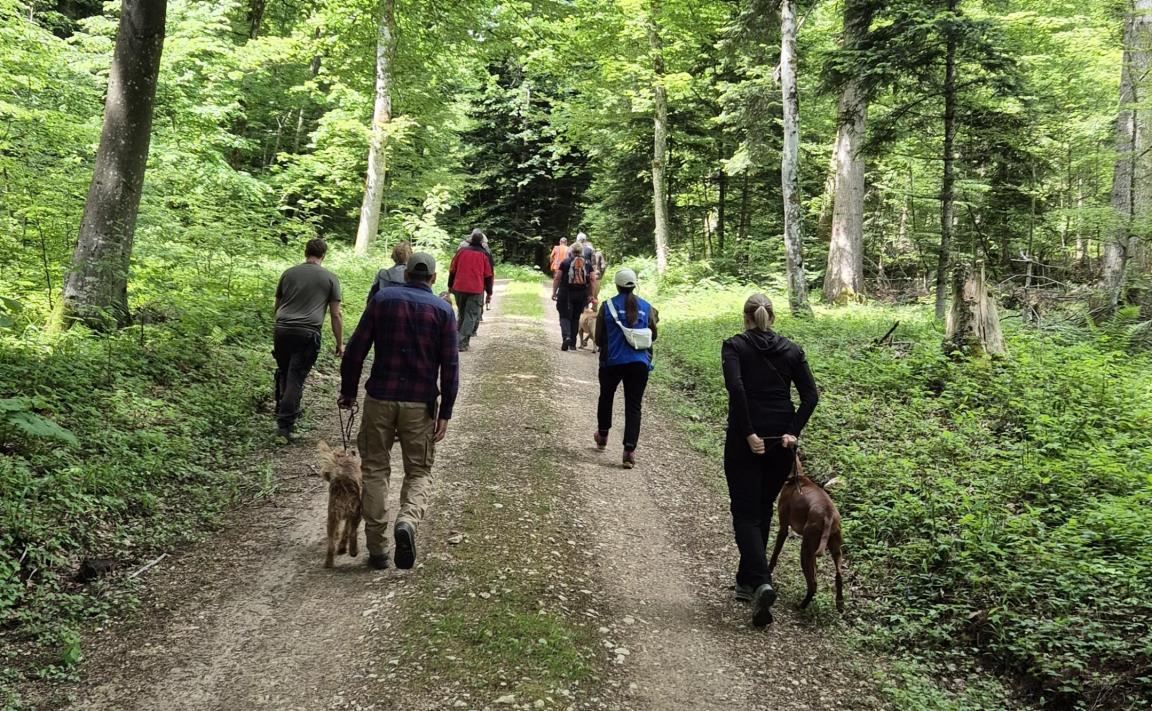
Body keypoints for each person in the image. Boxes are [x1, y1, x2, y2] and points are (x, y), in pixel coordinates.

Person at [338, 252, 459, 571]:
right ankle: (406, 521)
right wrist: (445, 410)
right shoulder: (444, 310)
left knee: (375, 469)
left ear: (406, 274)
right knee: (418, 471)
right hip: (419, 404)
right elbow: (450, 366)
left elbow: (355, 350)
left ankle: (377, 549)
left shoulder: (382, 300)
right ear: (433, 279)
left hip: (379, 398)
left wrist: (348, 392)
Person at [721, 294, 819, 628]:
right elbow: (811, 395)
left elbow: (737, 389)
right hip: (781, 442)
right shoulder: (792, 349)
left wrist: (748, 433)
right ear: (771, 318)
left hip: (746, 441)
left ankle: (761, 581)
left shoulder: (734, 347)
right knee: (761, 509)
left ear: (745, 317)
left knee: (744, 512)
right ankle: (748, 580)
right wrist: (792, 432)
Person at [273, 238, 343, 442]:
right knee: (296, 377)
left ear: (305, 252)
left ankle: (284, 407)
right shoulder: (330, 278)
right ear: (324, 255)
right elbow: (336, 314)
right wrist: (340, 343)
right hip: (307, 332)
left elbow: (277, 305)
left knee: (285, 372)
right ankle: (284, 427)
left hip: (283, 329)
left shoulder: (288, 273)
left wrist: (279, 327)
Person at [593, 268, 658, 469]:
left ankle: (603, 435)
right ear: (634, 284)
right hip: (639, 363)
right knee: (634, 405)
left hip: (612, 362)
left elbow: (599, 338)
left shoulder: (607, 306)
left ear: (617, 285)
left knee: (606, 396)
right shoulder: (648, 308)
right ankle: (629, 451)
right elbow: (652, 336)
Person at [448, 229, 494, 351]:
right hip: (476, 289)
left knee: (462, 314)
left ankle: (456, 340)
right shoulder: (484, 255)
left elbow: (452, 270)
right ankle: (462, 343)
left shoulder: (461, 252)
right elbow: (488, 276)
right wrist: (489, 293)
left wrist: (450, 286)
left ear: (470, 240)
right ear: (482, 242)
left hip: (459, 287)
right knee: (470, 315)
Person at [552, 242, 597, 351]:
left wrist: (554, 292)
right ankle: (572, 343)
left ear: (571, 251)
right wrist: (591, 294)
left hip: (565, 293)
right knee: (575, 317)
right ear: (582, 251)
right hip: (581, 295)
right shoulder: (587, 264)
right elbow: (592, 279)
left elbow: (558, 277)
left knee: (564, 315)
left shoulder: (565, 262)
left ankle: (566, 336)